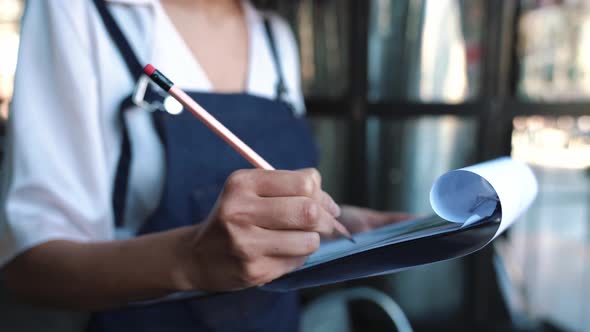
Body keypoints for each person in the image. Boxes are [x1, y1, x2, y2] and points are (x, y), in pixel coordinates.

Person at [0, 0, 409, 331]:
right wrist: (191, 259)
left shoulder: (275, 37)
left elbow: (269, 194)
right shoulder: (78, 12)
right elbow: (29, 271)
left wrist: (335, 223)